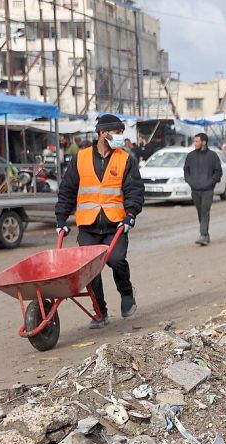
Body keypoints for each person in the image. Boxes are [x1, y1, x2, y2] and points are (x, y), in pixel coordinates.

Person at [54, 114, 143, 328]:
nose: (121, 137)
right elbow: (67, 189)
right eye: (118, 132)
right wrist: (61, 218)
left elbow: (134, 190)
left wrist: (130, 214)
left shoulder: (125, 159)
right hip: (88, 225)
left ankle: (126, 293)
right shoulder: (81, 158)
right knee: (89, 270)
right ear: (103, 133)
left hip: (115, 223)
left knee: (116, 260)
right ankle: (100, 312)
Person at [183, 133, 223, 246]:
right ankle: (206, 235)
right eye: (194, 141)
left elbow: (218, 172)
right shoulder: (190, 156)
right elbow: (186, 170)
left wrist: (210, 183)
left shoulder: (213, 156)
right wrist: (190, 181)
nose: (194, 143)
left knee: (205, 211)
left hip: (207, 190)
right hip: (195, 190)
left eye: (197, 141)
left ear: (204, 142)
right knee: (200, 212)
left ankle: (202, 234)